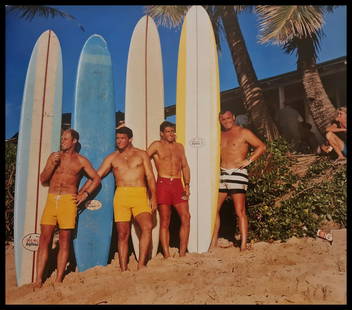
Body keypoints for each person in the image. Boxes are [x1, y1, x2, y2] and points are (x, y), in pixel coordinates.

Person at [80, 126, 157, 271]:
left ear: (130, 139)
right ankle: (123, 269)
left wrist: (154, 198)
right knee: (123, 233)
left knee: (147, 227)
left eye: (122, 138)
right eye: (117, 138)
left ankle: (141, 265)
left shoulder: (141, 154)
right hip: (121, 196)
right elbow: (97, 176)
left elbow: (150, 177)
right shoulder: (112, 157)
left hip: (139, 194)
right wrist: (82, 192)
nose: (119, 141)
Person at [34, 129, 101, 288]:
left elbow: (96, 178)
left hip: (68, 201)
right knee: (44, 240)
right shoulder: (54, 156)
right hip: (51, 200)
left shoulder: (81, 160)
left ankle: (58, 279)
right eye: (62, 138)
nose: (62, 141)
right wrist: (51, 164)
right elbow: (43, 179)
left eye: (65, 139)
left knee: (64, 240)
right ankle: (38, 279)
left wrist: (84, 194)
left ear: (74, 141)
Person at [210, 110, 266, 251]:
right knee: (214, 210)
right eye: (223, 119)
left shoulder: (243, 132)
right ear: (220, 121)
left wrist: (248, 160)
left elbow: (262, 146)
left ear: (234, 117)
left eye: (228, 118)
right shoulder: (220, 135)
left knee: (239, 210)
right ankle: (213, 242)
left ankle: (243, 245)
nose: (226, 121)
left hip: (237, 173)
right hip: (222, 174)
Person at [147, 121, 191, 258]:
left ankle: (182, 253)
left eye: (173, 131)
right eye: (168, 131)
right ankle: (166, 255)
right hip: (163, 183)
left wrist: (187, 184)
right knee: (165, 220)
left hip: (178, 184)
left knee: (186, 217)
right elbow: (142, 159)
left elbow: (185, 166)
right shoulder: (156, 145)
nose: (171, 134)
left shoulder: (179, 147)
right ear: (162, 133)